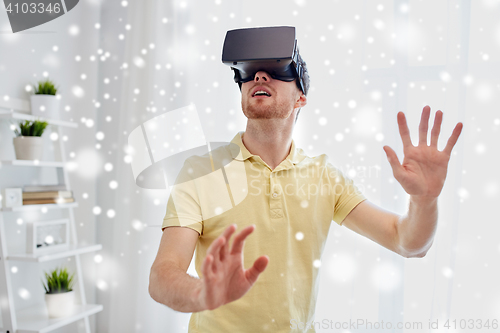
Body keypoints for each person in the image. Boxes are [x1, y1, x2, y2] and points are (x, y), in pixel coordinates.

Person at [148, 48, 463, 332]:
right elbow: (163, 275)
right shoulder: (200, 171)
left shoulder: (324, 175)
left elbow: (407, 242)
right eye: (247, 72)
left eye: (278, 68)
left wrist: (425, 200)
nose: (259, 75)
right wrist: (201, 293)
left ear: (301, 97)